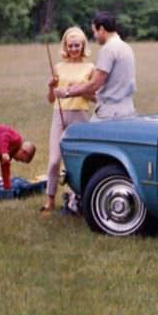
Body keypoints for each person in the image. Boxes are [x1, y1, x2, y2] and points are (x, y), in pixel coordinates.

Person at [42, 27, 95, 213]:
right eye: (70, 45)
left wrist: (80, 88)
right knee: (55, 160)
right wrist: (50, 88)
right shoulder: (58, 67)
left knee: (76, 160)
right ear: (65, 46)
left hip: (80, 116)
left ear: (83, 46)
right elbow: (50, 99)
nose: (74, 49)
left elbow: (95, 98)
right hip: (59, 114)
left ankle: (76, 199)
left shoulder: (90, 68)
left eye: (77, 45)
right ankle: (50, 199)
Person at [55, 12, 136, 120]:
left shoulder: (108, 49)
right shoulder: (126, 47)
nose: (94, 36)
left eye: (95, 31)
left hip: (109, 113)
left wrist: (67, 92)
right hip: (128, 110)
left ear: (102, 29)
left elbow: (95, 84)